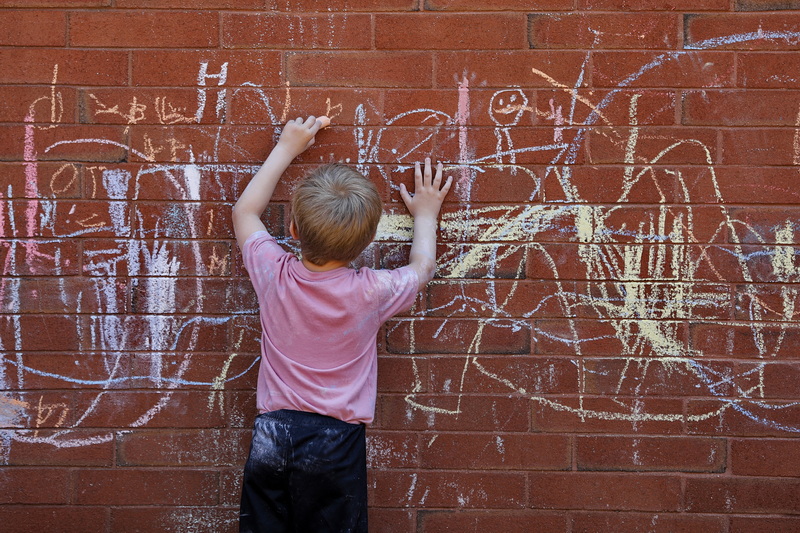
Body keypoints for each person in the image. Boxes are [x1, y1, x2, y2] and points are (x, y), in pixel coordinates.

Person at [232, 115, 452, 532]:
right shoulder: (372, 291)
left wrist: (286, 147)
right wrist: (426, 214)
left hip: (272, 435)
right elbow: (422, 267)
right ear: (367, 242)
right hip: (336, 442)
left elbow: (245, 211)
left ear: (294, 229)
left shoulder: (273, 272)